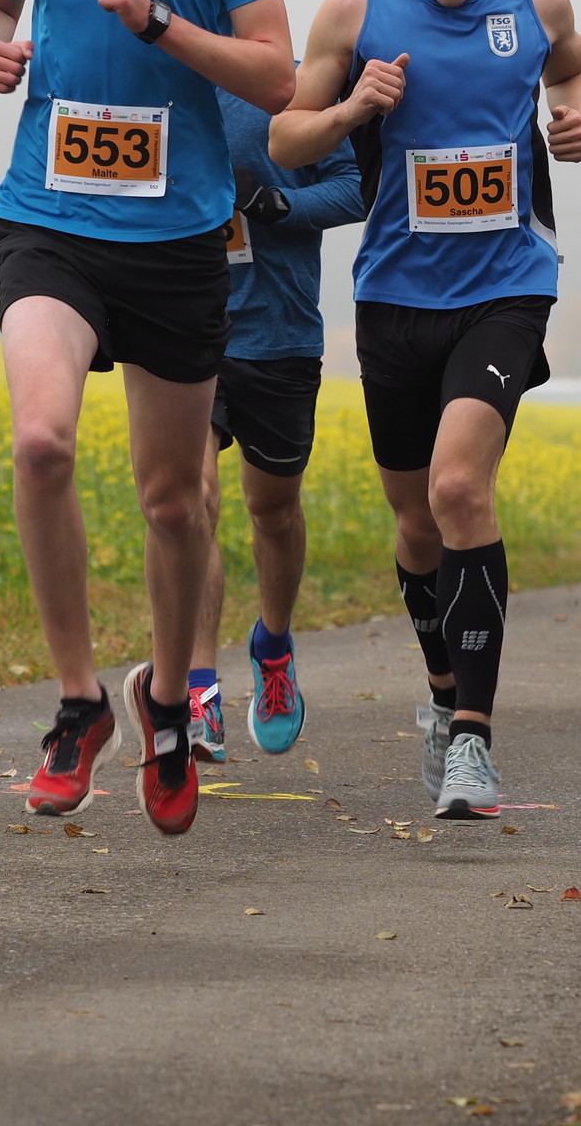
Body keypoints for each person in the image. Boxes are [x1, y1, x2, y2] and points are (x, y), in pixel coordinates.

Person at [0, 0, 295, 835]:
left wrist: (160, 24)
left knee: (174, 500)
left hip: (177, 235)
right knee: (40, 440)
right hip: (48, 216)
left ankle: (164, 698)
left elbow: (277, 76)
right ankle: (77, 702)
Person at [270, 0, 581, 819]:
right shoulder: (354, 12)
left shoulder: (537, 3)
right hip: (395, 296)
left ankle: (474, 743)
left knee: (460, 487)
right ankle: (444, 695)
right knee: (415, 524)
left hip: (508, 285)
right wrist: (352, 109)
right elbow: (286, 138)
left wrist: (577, 119)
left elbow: (576, 72)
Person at [186, 91, 363, 760]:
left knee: (274, 511)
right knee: (191, 501)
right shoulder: (162, 77)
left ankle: (273, 645)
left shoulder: (299, 92)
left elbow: (355, 187)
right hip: (185, 328)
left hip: (279, 335)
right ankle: (197, 690)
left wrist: (275, 203)